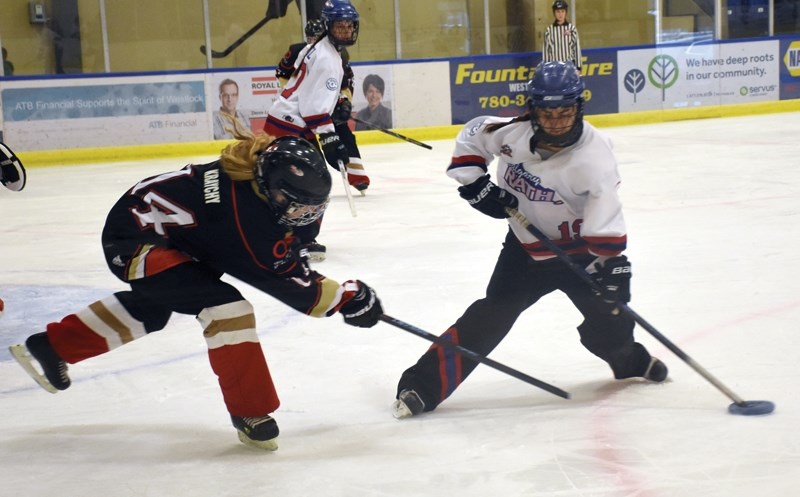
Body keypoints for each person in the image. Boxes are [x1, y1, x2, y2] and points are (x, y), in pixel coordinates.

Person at [8, 126, 384, 451]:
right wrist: (349, 297)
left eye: (312, 209)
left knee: (153, 308)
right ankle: (250, 411)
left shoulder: (260, 180)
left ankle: (50, 347)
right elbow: (293, 286)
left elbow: (290, 241)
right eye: (298, 208)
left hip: (169, 237)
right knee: (227, 308)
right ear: (271, 191)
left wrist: (304, 242)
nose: (306, 216)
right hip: (134, 242)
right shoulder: (242, 218)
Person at [391, 61, 667, 419]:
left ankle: (630, 361)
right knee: (491, 315)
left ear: (578, 108)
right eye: (546, 112)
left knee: (611, 323)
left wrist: (614, 270)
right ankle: (422, 387)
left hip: (580, 257)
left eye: (564, 112)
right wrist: (476, 185)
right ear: (532, 109)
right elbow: (473, 134)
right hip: (525, 251)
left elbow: (606, 223)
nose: (555, 121)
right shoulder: (512, 133)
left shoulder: (595, 159)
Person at [264, 0, 361, 262]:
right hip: (293, 127)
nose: (345, 31)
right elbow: (313, 110)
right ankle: (301, 241)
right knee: (313, 185)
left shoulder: (318, 47)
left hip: (283, 121)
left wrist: (338, 103)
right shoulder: (329, 59)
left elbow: (310, 91)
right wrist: (331, 138)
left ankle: (281, 234)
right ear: (328, 26)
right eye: (339, 26)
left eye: (349, 26)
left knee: (276, 183)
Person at [275, 18, 370, 193]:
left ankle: (356, 175)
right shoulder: (297, 51)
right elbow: (282, 74)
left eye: (317, 37)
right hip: (302, 107)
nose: (314, 41)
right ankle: (311, 178)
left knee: (344, 135)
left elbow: (346, 82)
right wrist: (300, 95)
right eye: (311, 37)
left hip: (328, 102)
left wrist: (342, 101)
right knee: (306, 145)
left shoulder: (337, 53)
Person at [542, 0, 582, 73]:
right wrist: (546, 68)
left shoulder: (572, 29)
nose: (560, 14)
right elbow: (546, 51)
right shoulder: (549, 30)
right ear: (554, 13)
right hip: (554, 68)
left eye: (562, 11)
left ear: (566, 12)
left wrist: (578, 67)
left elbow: (576, 48)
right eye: (558, 11)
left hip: (569, 67)